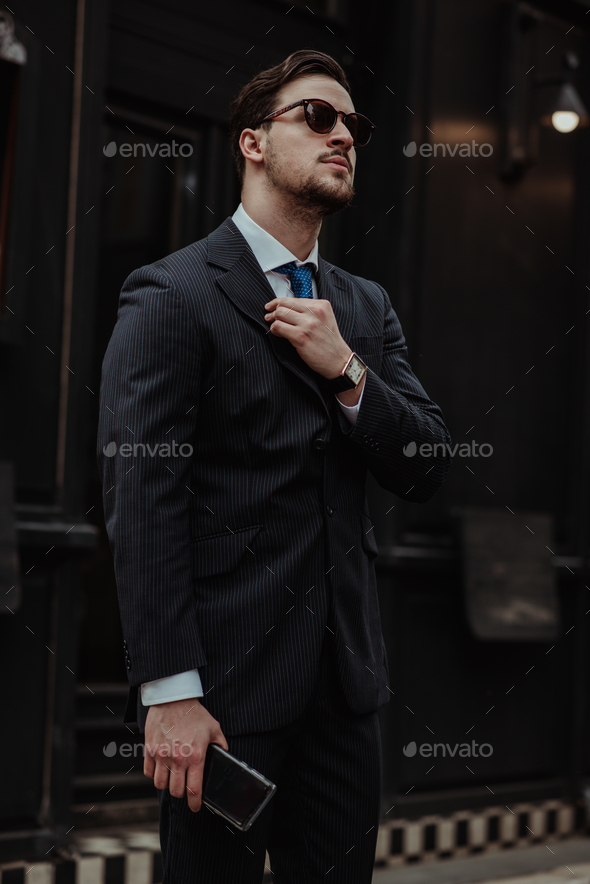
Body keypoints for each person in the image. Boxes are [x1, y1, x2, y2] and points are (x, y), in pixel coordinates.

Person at [97, 48, 452, 884]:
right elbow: (142, 500)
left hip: (346, 688)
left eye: (355, 125)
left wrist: (347, 368)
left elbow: (426, 462)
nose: (344, 137)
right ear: (253, 143)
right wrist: (170, 694)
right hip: (223, 695)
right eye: (318, 117)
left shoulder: (364, 308)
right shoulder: (171, 294)